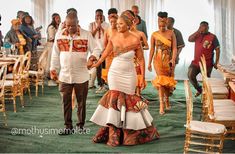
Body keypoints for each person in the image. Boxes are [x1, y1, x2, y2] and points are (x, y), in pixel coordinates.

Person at [89, 10, 159, 146]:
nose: (118, 25)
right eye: (118, 24)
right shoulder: (113, 37)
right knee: (114, 100)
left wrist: (143, 78)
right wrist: (95, 64)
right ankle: (114, 135)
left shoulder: (135, 39)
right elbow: (104, 54)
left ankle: (129, 135)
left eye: (121, 24)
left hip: (129, 74)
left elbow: (141, 60)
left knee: (129, 100)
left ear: (128, 25)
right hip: (114, 72)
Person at [50, 12, 101, 135]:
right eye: (68, 25)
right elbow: (55, 54)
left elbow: (97, 48)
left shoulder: (86, 34)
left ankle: (80, 126)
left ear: (78, 23)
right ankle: (68, 126)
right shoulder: (60, 35)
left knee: (81, 102)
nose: (70, 28)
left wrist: (92, 57)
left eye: (73, 25)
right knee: (65, 102)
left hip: (81, 75)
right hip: (64, 76)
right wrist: (53, 69)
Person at [148, 12, 177, 115]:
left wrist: (173, 59)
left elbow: (174, 48)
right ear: (157, 21)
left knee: (168, 82)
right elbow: (152, 49)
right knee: (161, 81)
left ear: (167, 21)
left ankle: (167, 100)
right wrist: (149, 62)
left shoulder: (171, 33)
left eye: (164, 21)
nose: (162, 23)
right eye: (160, 21)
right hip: (158, 60)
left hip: (168, 60)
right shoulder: (154, 34)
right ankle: (161, 105)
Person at [188, 21, 220, 97]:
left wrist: (216, 62)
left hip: (207, 64)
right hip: (196, 62)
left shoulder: (213, 37)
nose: (204, 28)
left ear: (208, 27)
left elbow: (218, 49)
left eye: (205, 26)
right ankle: (200, 90)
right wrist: (197, 31)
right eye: (202, 26)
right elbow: (189, 39)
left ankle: (206, 97)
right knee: (190, 75)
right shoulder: (197, 35)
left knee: (206, 81)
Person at [89, 9, 109, 93]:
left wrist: (101, 27)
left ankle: (104, 84)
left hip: (105, 48)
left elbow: (108, 35)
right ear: (95, 15)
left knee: (104, 67)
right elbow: (90, 36)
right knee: (98, 68)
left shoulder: (107, 24)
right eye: (97, 15)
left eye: (101, 15)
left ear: (103, 15)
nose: (99, 17)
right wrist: (97, 28)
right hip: (95, 49)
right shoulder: (91, 24)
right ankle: (100, 85)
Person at [130, 15, 149, 96]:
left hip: (138, 58)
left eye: (134, 21)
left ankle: (138, 95)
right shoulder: (127, 34)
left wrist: (139, 47)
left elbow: (147, 46)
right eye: (131, 21)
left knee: (138, 75)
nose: (133, 23)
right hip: (129, 58)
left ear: (137, 22)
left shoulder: (141, 34)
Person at [101, 8, 118, 84]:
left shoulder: (121, 29)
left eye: (114, 19)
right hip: (109, 55)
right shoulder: (107, 30)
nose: (113, 23)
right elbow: (105, 44)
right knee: (110, 73)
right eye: (111, 21)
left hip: (119, 54)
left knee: (118, 73)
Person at [46, 13, 61, 86]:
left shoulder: (59, 26)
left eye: (59, 18)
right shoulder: (51, 27)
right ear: (53, 19)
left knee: (57, 62)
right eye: (57, 18)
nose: (58, 19)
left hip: (57, 46)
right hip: (51, 46)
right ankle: (51, 78)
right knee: (51, 61)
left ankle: (56, 77)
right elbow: (52, 38)